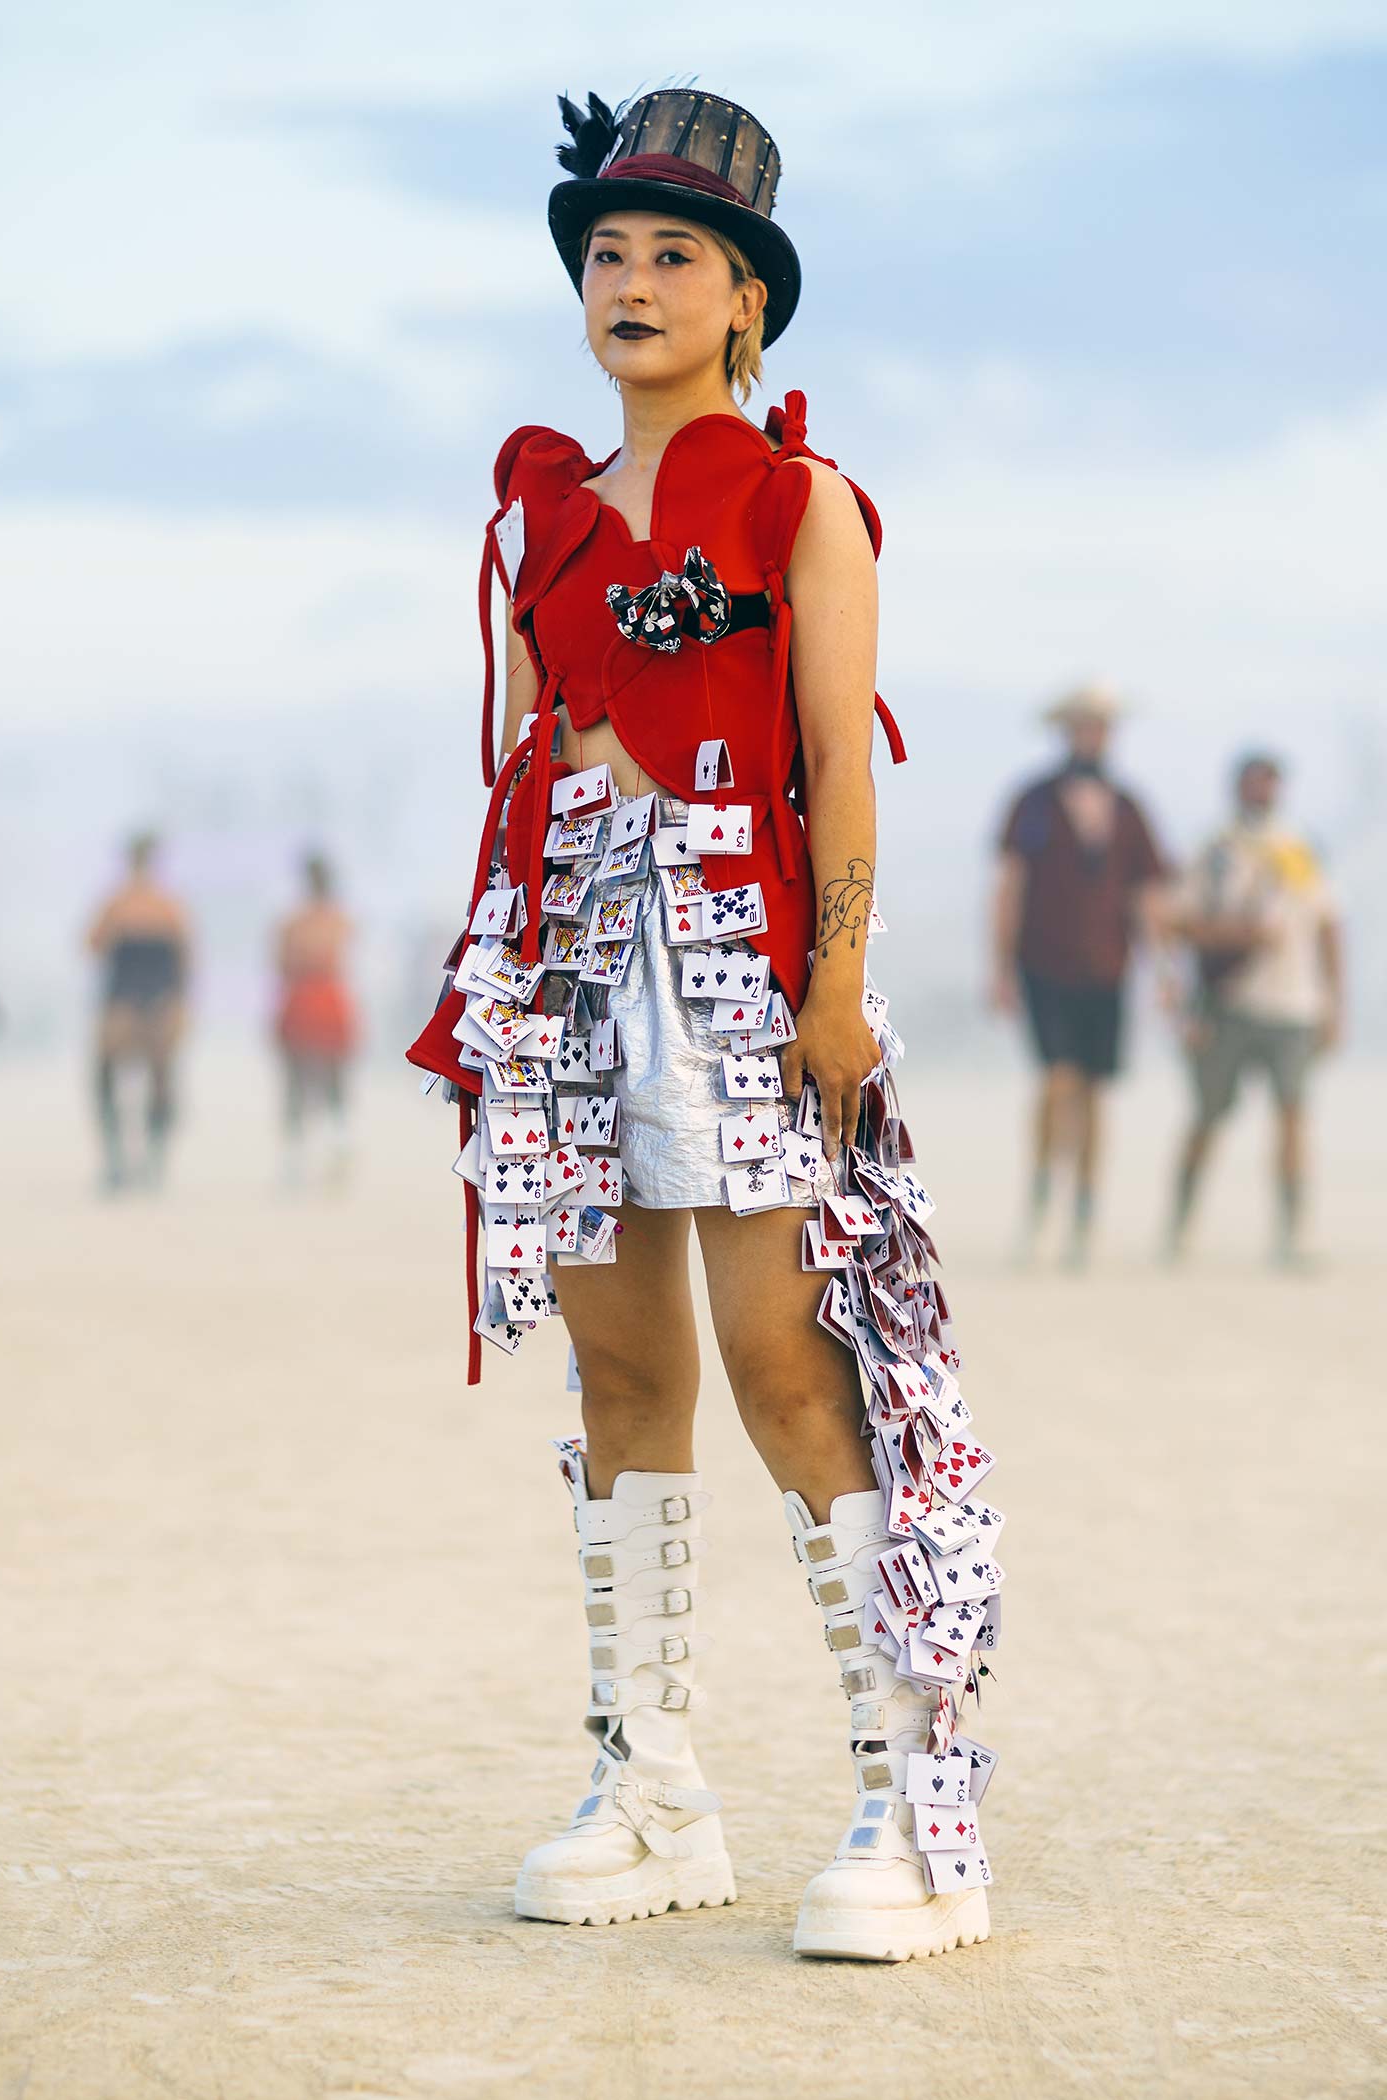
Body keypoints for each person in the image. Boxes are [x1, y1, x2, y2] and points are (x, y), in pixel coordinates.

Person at [408, 86, 1003, 1963]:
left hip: (747, 962)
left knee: (781, 1360)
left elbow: (842, 756)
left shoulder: (802, 502)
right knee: (620, 1377)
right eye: (606, 253)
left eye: (674, 253)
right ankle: (650, 1783)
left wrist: (832, 977)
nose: (631, 281)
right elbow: (521, 749)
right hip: (572, 962)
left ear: (750, 300)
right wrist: (504, 981)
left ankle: (913, 1806)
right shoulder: (546, 517)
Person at [991, 683, 1166, 1265]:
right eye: (1083, 724)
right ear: (1066, 730)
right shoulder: (1033, 801)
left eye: (1101, 725)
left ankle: (1083, 1211)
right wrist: (1000, 966)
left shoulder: (1128, 804)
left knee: (1093, 1089)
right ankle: (1040, 1192)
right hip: (1044, 963)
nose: (1092, 734)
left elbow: (1144, 896)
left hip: (1108, 968)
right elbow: (1009, 887)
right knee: (1056, 1079)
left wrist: (1162, 968)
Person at [1166, 752, 1344, 1265]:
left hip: (1294, 1004)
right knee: (1209, 1114)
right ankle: (1180, 1223)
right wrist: (1239, 936)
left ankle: (1292, 1234)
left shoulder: (1300, 848)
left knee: (1292, 1114)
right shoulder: (1216, 849)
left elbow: (1329, 924)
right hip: (1227, 1004)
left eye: (1269, 784)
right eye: (1253, 783)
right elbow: (1179, 922)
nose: (1261, 793)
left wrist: (1333, 1002)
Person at [86, 832, 190, 1191]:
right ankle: (153, 1159)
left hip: (126, 1000)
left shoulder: (117, 904)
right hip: (158, 999)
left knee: (104, 1076)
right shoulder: (169, 905)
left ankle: (118, 1158)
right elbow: (186, 957)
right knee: (162, 1078)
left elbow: (94, 945)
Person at [274, 852, 359, 1188]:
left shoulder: (294, 923)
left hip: (303, 1001)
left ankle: (297, 1163)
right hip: (330, 1001)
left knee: (296, 1086)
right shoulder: (340, 920)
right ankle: (337, 1147)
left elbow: (281, 963)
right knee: (334, 1084)